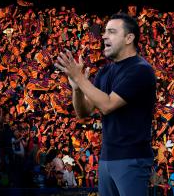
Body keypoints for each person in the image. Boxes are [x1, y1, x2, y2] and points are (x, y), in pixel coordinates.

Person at [55, 12, 156, 196]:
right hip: (106, 158)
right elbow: (84, 112)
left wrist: (79, 77)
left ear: (129, 38)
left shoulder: (141, 70)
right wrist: (77, 88)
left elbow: (108, 105)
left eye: (111, 32)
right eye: (104, 32)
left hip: (132, 159)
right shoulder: (104, 72)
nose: (103, 36)